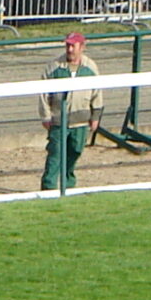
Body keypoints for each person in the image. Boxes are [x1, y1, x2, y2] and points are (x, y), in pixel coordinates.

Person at [38, 31, 105, 191]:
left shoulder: (90, 68)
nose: (69, 50)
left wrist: (95, 116)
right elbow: (43, 94)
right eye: (67, 46)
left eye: (72, 46)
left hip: (81, 121)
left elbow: (97, 94)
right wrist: (46, 116)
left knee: (75, 151)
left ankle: (68, 183)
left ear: (82, 47)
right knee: (55, 155)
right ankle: (49, 187)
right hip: (59, 120)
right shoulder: (53, 68)